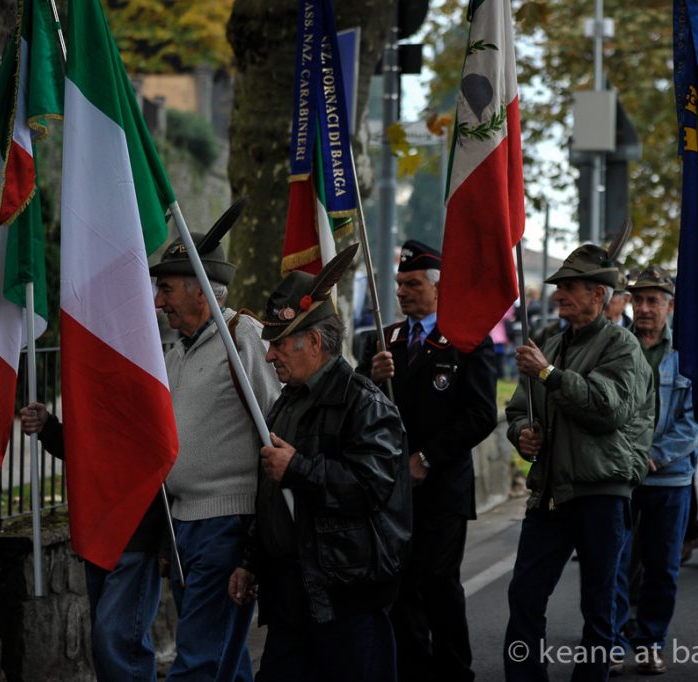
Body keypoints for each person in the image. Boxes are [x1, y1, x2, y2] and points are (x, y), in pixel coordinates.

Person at [228, 245, 412, 682]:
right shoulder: (286, 402)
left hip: (345, 593)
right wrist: (251, 559)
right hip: (291, 590)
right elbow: (271, 492)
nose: (269, 356)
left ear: (313, 342)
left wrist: (299, 469)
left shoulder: (364, 404)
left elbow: (370, 488)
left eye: (278, 344)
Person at [502, 242, 655, 682]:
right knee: (525, 596)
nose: (559, 294)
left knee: (599, 605)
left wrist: (548, 374)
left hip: (601, 492)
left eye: (570, 287)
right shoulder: (551, 344)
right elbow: (519, 409)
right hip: (551, 491)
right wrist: (522, 435)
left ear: (598, 295)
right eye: (559, 286)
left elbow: (607, 410)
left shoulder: (622, 345)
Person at [357, 240, 498, 682]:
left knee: (438, 583)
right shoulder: (386, 341)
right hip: (391, 489)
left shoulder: (467, 341)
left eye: (413, 283)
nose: (402, 291)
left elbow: (481, 415)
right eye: (400, 283)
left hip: (442, 488)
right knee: (400, 587)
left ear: (439, 288)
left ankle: (455, 672)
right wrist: (369, 377)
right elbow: (357, 407)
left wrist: (427, 458)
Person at [150, 227, 281, 681]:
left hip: (228, 525)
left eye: (167, 289)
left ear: (201, 290)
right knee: (223, 653)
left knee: (200, 659)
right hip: (184, 525)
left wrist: (254, 545)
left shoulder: (244, 337)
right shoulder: (175, 355)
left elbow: (278, 425)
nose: (158, 302)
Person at [20, 403, 165, 681]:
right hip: (99, 528)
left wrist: (166, 541)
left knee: (115, 638)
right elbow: (91, 446)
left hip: (137, 529)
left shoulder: (152, 384)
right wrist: (49, 428)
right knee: (107, 641)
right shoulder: (98, 391)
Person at [612, 268, 698, 675]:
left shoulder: (688, 352)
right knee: (613, 563)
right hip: (619, 476)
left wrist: (653, 456)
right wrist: (625, 457)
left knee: (662, 567)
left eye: (654, 301)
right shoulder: (615, 346)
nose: (644, 308)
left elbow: (695, 419)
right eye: (638, 300)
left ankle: (650, 641)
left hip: (669, 477)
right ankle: (611, 641)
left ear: (670, 305)